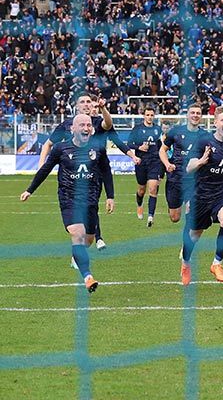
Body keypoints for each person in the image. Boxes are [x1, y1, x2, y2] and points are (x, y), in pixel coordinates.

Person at [21, 114, 114, 293]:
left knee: (87, 240)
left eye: (88, 125)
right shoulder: (61, 149)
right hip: (69, 199)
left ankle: (76, 256)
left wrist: (110, 196)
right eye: (82, 125)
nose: (86, 128)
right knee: (77, 233)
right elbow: (45, 170)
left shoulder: (98, 148)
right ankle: (88, 277)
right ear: (73, 128)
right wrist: (30, 190)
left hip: (90, 200)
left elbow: (106, 172)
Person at [39, 92, 136, 251]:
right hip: (73, 175)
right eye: (82, 102)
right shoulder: (66, 125)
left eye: (89, 102)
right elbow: (47, 144)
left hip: (95, 173)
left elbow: (110, 126)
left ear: (93, 105)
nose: (86, 104)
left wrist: (131, 154)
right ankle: (94, 239)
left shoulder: (98, 123)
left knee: (91, 207)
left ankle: (94, 238)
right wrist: (41, 166)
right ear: (76, 106)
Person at [180, 106, 223, 286]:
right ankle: (185, 264)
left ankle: (217, 264)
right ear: (215, 122)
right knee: (194, 235)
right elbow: (189, 167)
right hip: (202, 193)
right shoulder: (203, 141)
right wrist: (201, 162)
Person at [159, 103, 206, 224]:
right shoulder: (176, 131)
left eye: (198, 113)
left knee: (192, 214)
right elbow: (162, 150)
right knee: (175, 218)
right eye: (193, 113)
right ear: (187, 115)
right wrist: (167, 164)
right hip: (175, 178)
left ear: (201, 116)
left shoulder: (206, 136)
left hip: (195, 179)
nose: (195, 115)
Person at [129, 106, 164, 227]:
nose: (149, 117)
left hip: (154, 162)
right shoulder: (137, 129)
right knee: (141, 189)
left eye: (151, 115)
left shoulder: (157, 129)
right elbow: (129, 143)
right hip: (141, 162)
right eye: (147, 115)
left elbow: (161, 147)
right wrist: (139, 148)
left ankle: (150, 217)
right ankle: (139, 205)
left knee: (153, 188)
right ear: (143, 116)